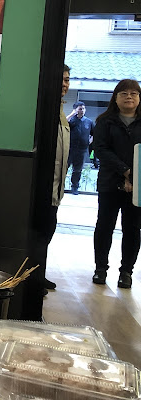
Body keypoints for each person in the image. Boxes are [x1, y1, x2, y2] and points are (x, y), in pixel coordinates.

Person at [92, 79, 141, 289]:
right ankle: (100, 268)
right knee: (104, 227)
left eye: (134, 93)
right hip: (110, 183)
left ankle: (126, 272)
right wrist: (125, 170)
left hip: (138, 186)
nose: (129, 97)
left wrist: (135, 175)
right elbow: (100, 149)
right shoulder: (105, 120)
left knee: (132, 229)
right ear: (116, 97)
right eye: (124, 93)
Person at [41, 64, 71, 292]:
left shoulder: (62, 112)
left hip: (56, 187)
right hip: (44, 186)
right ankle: (35, 278)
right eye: (61, 79)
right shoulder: (44, 110)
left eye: (67, 80)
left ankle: (39, 273)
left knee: (49, 229)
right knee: (42, 231)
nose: (64, 84)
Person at [67, 100, 95, 195]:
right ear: (75, 110)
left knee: (77, 170)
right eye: (80, 109)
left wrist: (89, 142)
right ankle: (60, 186)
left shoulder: (89, 122)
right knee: (65, 167)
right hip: (70, 149)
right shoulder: (71, 120)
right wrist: (71, 114)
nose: (82, 110)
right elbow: (63, 124)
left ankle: (74, 187)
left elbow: (94, 134)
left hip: (82, 150)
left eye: (83, 108)